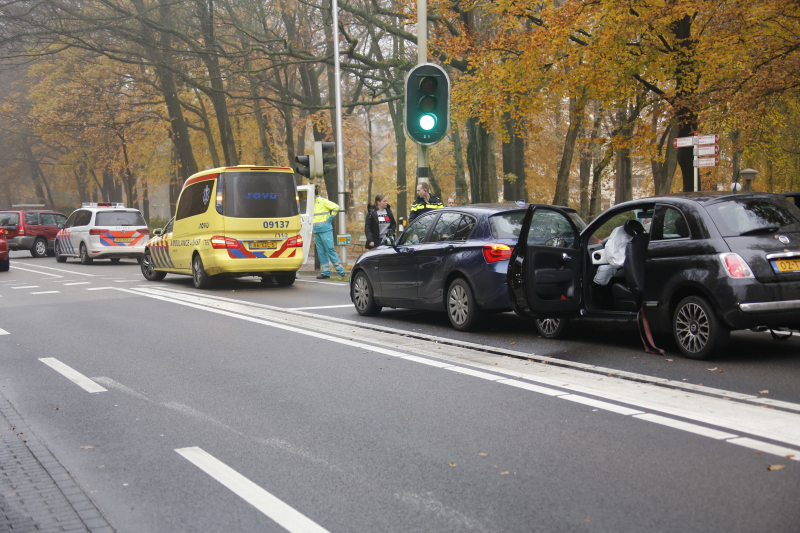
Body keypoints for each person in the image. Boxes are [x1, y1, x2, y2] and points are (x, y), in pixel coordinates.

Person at [312, 186, 346, 279]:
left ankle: (341, 272)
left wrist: (330, 219)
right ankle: (325, 272)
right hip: (317, 231)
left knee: (330, 250)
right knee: (321, 252)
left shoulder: (322, 201)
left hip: (325, 229)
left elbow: (336, 207)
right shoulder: (310, 204)